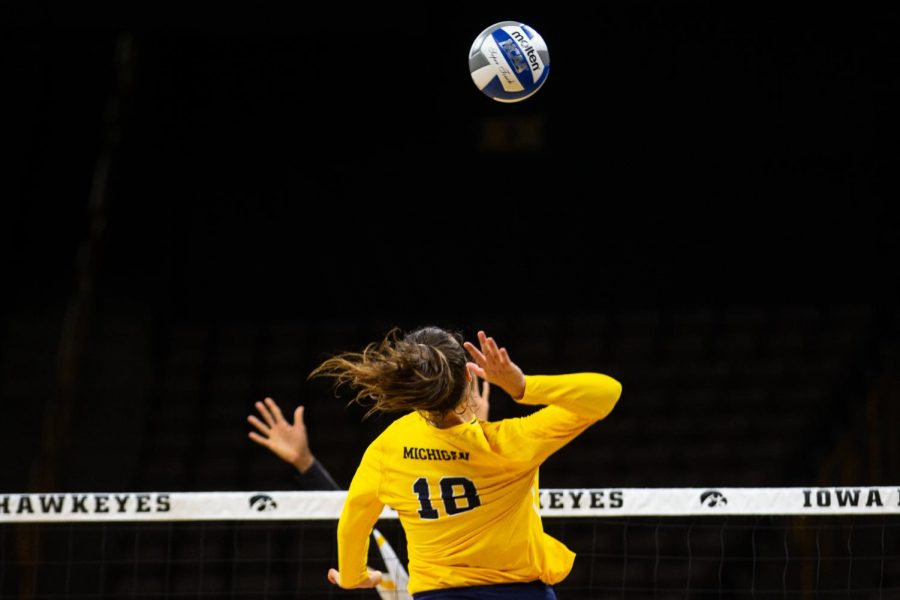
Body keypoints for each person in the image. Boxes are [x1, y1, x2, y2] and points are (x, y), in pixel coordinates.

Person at [311, 326, 622, 599]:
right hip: (521, 592)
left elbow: (354, 520)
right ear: (468, 375)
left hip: (436, 596)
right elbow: (607, 392)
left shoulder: (388, 446)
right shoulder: (508, 443)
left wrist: (354, 577)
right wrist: (522, 386)